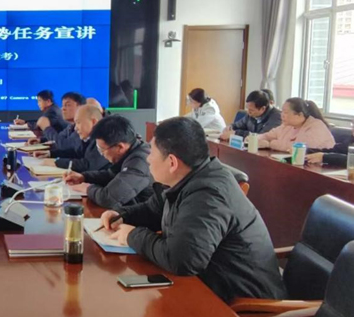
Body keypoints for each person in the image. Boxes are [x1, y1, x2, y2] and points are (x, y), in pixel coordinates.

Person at [100, 117, 286, 304]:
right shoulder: (188, 178)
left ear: (172, 162)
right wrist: (122, 216)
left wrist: (132, 235)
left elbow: (182, 260)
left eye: (152, 153)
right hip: (206, 285)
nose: (147, 159)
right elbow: (154, 209)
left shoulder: (209, 194)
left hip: (242, 305)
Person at [64, 115, 153, 209]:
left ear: (120, 147)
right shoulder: (132, 148)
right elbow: (111, 175)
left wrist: (87, 189)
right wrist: (84, 177)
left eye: (102, 150)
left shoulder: (140, 162)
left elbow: (109, 199)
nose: (102, 154)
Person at [42, 104, 110, 173]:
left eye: (78, 122)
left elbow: (87, 165)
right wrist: (51, 154)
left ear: (94, 122)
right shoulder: (88, 138)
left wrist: (57, 162)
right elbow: (76, 153)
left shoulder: (105, 138)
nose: (75, 128)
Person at [255, 97, 334, 152]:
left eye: (286, 112)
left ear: (300, 115)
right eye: (282, 111)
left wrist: (270, 144)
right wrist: (255, 139)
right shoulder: (288, 126)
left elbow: (298, 148)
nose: (282, 115)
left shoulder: (316, 126)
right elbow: (268, 135)